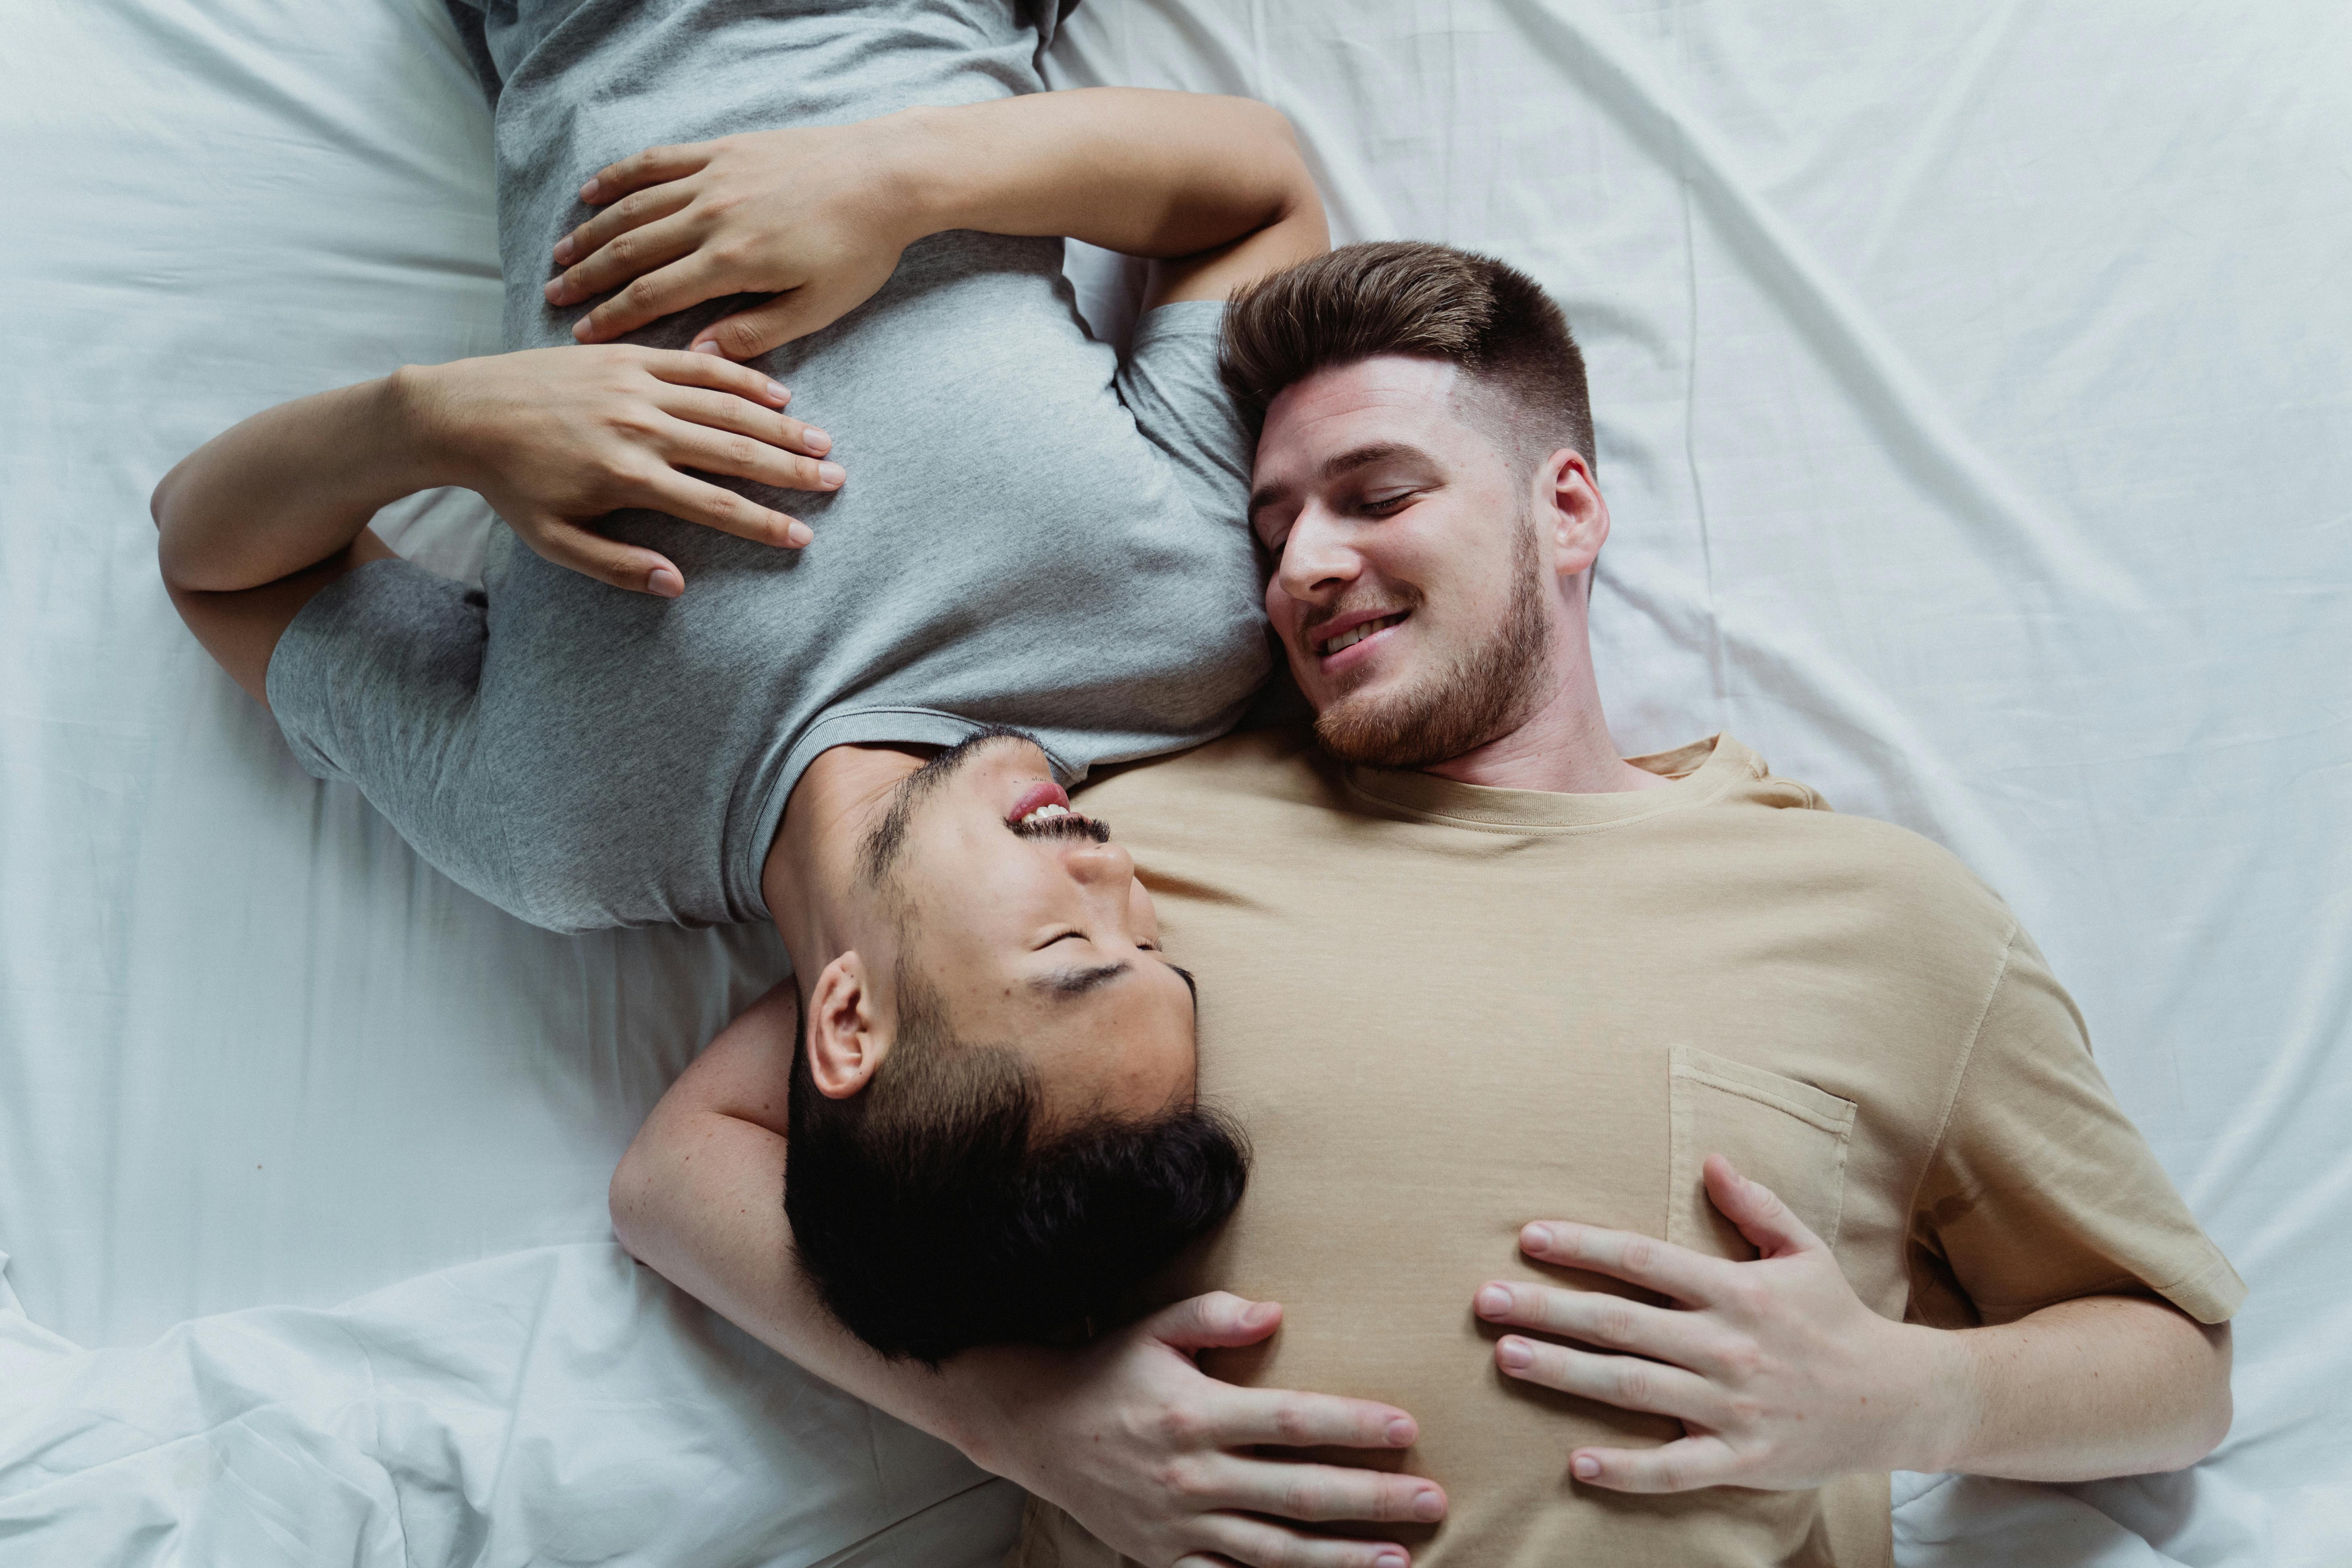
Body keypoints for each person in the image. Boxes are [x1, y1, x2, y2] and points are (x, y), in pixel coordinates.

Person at [615, 243, 2242, 1568]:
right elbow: (687, 1160)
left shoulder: (1879, 915)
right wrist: (1007, 1416)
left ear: (1567, 511)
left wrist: (1898, 1398)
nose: (1302, 565)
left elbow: (2175, 1376)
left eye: (1376, 496)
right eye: (1269, 530)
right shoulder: (1115, 854)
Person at [150, 0, 1331, 1363]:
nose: (1119, 881)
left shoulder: (565, 824)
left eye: (1073, 950)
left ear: (846, 1020)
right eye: (1156, 948)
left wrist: (438, 423)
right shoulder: (1180, 639)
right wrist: (901, 178)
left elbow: (213, 563)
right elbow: (1253, 188)